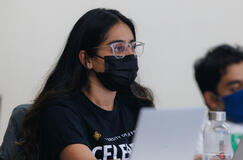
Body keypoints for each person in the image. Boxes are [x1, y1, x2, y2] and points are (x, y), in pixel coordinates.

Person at [18, 8, 154, 160]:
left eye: (133, 46)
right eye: (118, 48)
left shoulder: (136, 104)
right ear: (87, 59)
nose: (130, 55)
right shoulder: (61, 112)